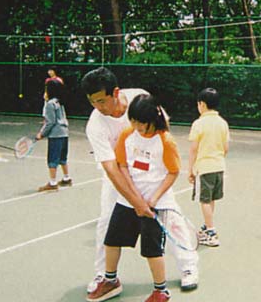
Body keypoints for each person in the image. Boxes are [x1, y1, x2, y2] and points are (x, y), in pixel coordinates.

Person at [81, 67, 199, 296]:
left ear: (115, 92)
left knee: (171, 219)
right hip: (120, 174)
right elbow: (112, 168)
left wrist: (154, 176)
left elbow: (163, 128)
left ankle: (188, 267)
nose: (98, 107)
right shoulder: (95, 125)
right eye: (93, 102)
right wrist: (136, 201)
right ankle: (105, 277)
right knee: (106, 221)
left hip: (153, 174)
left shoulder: (139, 98)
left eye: (102, 101)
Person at [87, 94, 181, 302]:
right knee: (111, 241)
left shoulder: (165, 141)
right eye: (133, 121)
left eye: (142, 123)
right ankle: (110, 280)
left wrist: (153, 200)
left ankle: (161, 291)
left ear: (153, 120)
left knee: (152, 251)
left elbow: (173, 172)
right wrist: (134, 198)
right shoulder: (127, 135)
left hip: (155, 205)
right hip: (127, 202)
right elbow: (122, 165)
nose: (137, 127)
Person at [188, 88, 229, 247]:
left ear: (202, 104)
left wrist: (191, 169)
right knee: (211, 198)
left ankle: (211, 232)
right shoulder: (223, 123)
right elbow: (225, 148)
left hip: (204, 168)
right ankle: (207, 226)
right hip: (219, 167)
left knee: (204, 200)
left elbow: (193, 149)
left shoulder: (198, 123)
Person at [36, 80, 72, 192]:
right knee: (62, 158)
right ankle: (67, 178)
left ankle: (52, 183)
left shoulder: (50, 104)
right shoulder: (59, 102)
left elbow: (50, 122)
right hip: (64, 133)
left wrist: (41, 133)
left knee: (52, 159)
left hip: (56, 135)